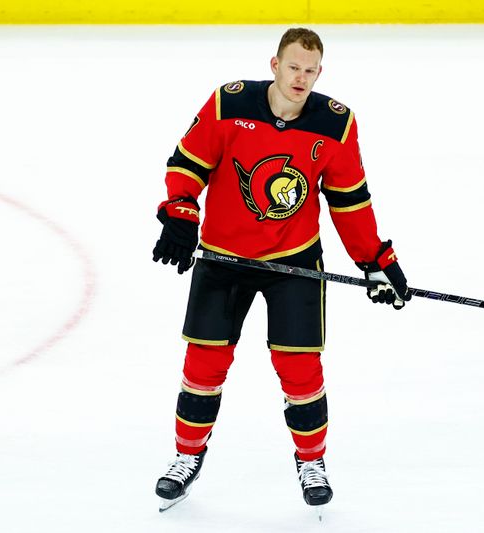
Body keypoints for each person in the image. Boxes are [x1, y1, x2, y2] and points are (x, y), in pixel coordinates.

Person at [152, 27, 412, 511]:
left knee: (300, 369)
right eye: (293, 67)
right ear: (273, 65)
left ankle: (312, 461)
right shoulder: (229, 104)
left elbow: (350, 201)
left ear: (320, 72)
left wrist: (376, 260)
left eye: (310, 70)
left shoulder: (335, 124)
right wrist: (182, 214)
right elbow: (187, 164)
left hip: (293, 264)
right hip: (223, 258)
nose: (301, 78)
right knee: (203, 367)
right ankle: (185, 457)